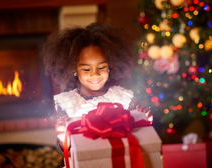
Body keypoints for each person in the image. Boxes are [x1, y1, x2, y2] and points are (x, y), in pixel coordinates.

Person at [41, 22, 153, 157]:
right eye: (87, 69)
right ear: (74, 69)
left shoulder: (123, 98)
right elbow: (67, 153)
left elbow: (134, 140)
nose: (95, 74)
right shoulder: (67, 103)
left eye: (101, 67)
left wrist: (142, 124)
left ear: (110, 65)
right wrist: (63, 141)